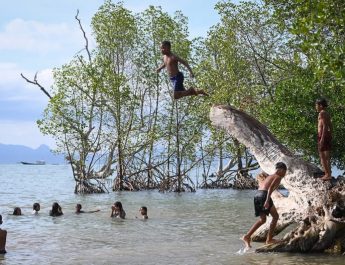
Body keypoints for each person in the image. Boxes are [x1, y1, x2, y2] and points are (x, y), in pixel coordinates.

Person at [242, 162, 287, 248]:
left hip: (257, 195)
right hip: (264, 196)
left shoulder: (269, 176)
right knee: (275, 217)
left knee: (262, 220)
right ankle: (269, 239)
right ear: (281, 170)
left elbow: (265, 187)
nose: (285, 174)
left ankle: (247, 236)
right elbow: (270, 188)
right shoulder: (278, 177)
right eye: (285, 171)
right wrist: (267, 200)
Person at [315, 98, 332, 181]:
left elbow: (325, 126)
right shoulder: (326, 113)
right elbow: (330, 125)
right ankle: (329, 173)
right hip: (326, 135)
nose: (316, 107)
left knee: (323, 156)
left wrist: (322, 138)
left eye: (316, 105)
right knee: (327, 156)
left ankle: (327, 174)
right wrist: (330, 134)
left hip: (322, 135)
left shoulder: (322, 113)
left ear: (321, 105)